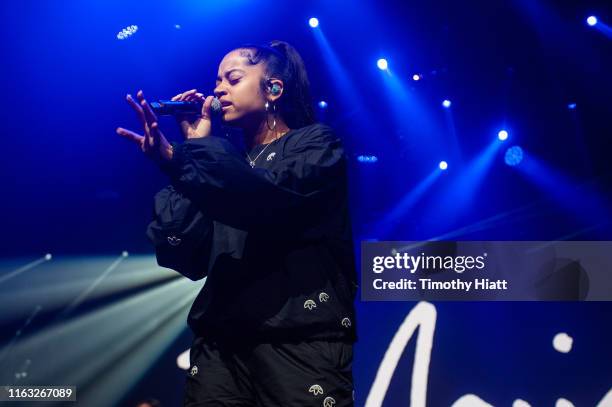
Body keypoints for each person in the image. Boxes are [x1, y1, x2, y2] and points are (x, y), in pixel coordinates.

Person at [117, 40, 357, 407]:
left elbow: (262, 198)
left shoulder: (316, 145)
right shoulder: (219, 166)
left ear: (273, 88)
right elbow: (183, 254)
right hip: (221, 346)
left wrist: (194, 158)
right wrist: (177, 159)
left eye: (233, 78)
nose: (217, 89)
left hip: (297, 342)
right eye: (217, 81)